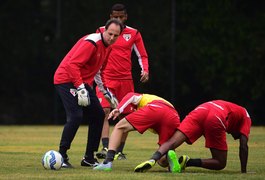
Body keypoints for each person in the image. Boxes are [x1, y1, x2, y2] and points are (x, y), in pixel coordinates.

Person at [53, 19, 123, 168]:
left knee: (98, 115)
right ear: (104, 30)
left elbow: (98, 71)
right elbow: (72, 65)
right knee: (76, 116)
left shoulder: (108, 47)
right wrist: (80, 87)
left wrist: (106, 92)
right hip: (65, 79)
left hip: (81, 82)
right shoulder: (92, 43)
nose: (111, 37)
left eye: (115, 35)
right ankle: (62, 156)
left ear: (119, 36)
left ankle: (89, 158)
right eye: (110, 33)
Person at [134, 100, 252, 173]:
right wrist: (243, 172)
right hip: (216, 116)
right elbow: (243, 146)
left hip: (201, 109)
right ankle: (187, 162)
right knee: (220, 163)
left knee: (172, 141)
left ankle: (153, 159)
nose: (233, 136)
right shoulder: (246, 116)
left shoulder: (234, 109)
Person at [95, 3, 149, 161]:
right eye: (115, 17)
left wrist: (145, 70)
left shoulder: (134, 33)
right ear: (110, 17)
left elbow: (142, 55)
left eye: (121, 17)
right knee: (103, 112)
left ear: (126, 17)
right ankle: (105, 147)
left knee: (125, 117)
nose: (118, 19)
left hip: (125, 81)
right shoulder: (101, 31)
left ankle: (118, 150)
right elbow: (94, 51)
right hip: (105, 79)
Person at [93, 92, 181, 171]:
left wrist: (119, 109)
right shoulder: (160, 100)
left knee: (119, 127)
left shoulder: (143, 98)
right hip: (174, 116)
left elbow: (131, 95)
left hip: (155, 108)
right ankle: (170, 160)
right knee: (162, 158)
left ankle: (107, 162)